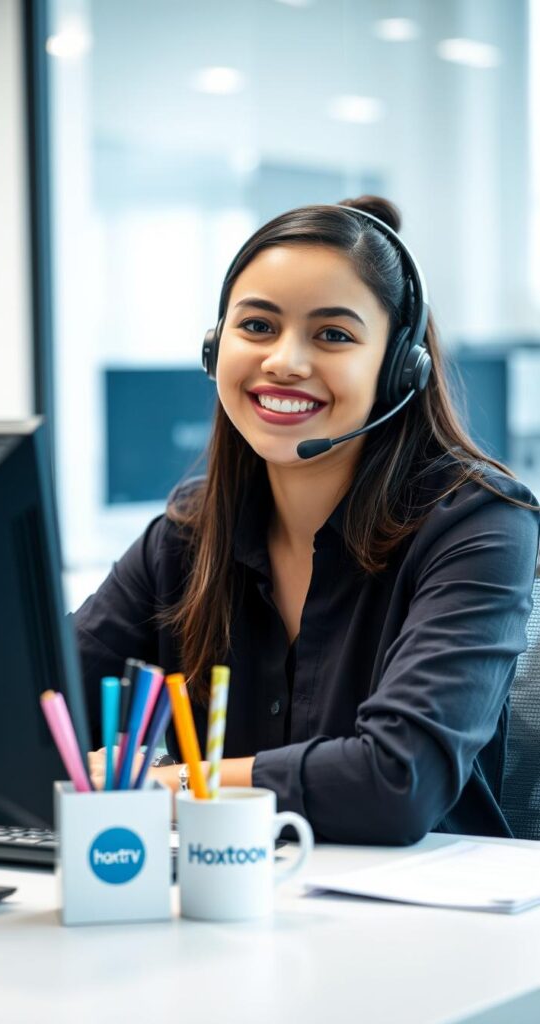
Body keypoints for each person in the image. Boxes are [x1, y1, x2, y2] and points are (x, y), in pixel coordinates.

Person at [78, 196, 540, 844]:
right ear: (215, 348)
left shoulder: (475, 525)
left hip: (430, 926)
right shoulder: (186, 537)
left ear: (398, 369)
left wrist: (170, 784)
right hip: (232, 909)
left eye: (333, 335)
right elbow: (30, 709)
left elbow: (395, 782)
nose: (284, 361)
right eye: (257, 326)